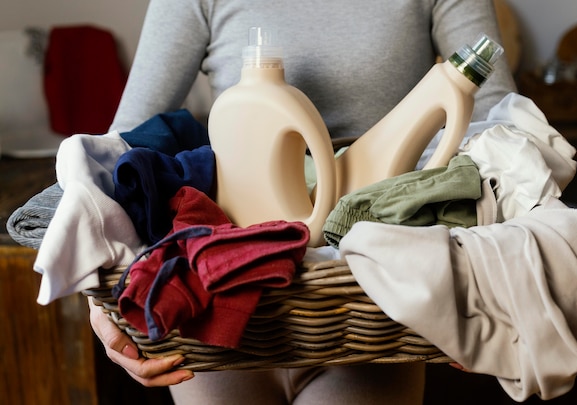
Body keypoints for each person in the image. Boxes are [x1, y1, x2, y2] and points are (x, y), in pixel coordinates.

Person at [90, 0, 517, 404]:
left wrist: (496, 287)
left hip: (370, 310)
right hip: (220, 309)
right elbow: (123, 151)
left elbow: (509, 132)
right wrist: (99, 299)